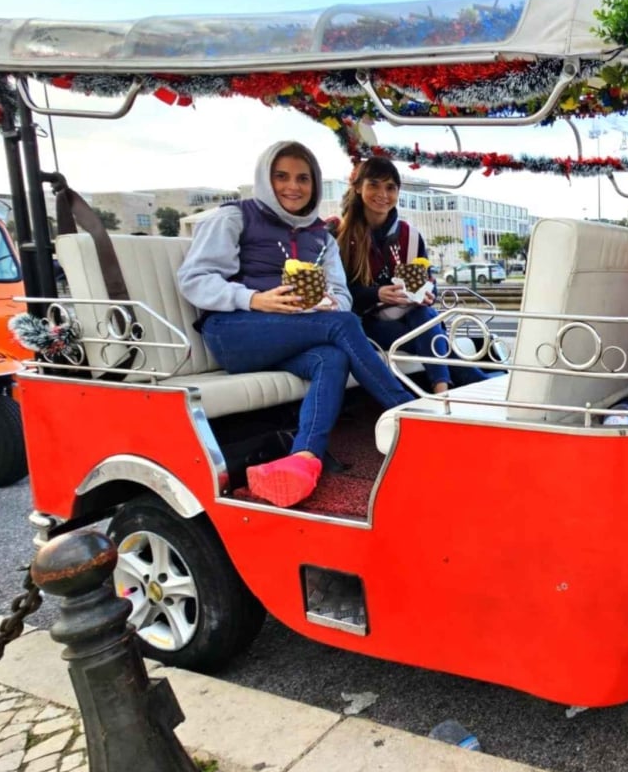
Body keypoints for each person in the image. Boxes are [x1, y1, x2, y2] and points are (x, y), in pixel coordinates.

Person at [177, 141, 414, 508]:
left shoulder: (320, 235)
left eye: (303, 178)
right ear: (264, 178)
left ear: (315, 185)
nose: (294, 186)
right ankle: (413, 418)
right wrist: (253, 299)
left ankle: (303, 459)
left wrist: (328, 301)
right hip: (234, 331)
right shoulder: (234, 218)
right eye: (282, 176)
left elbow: (339, 291)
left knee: (331, 358)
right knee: (343, 326)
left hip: (291, 334)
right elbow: (194, 279)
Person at [332, 156, 489, 393]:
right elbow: (338, 293)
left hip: (411, 315)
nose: (382, 194)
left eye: (390, 187)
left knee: (424, 312)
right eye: (373, 184)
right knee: (429, 334)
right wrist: (377, 294)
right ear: (357, 187)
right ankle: (475, 385)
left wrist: (428, 293)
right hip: (366, 325)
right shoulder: (340, 235)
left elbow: (429, 282)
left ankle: (443, 389)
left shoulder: (410, 235)